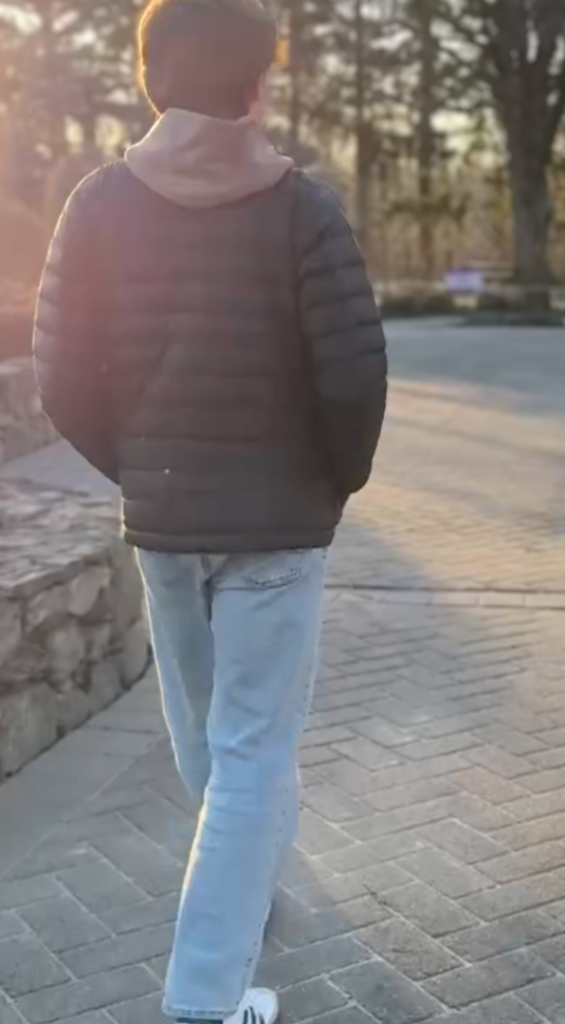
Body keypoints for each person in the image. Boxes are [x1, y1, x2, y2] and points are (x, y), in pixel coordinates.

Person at [33, 2, 387, 1022]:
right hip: (276, 526)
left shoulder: (98, 203)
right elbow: (356, 374)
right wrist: (334, 481)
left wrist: (139, 466)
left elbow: (60, 378)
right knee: (238, 755)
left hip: (172, 525)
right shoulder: (302, 207)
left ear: (152, 79)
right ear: (257, 85)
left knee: (216, 747)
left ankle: (227, 939)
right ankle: (202, 1001)